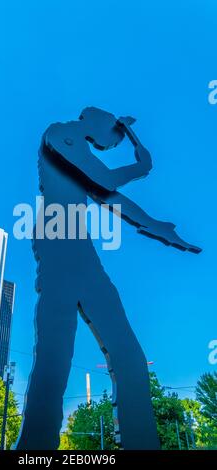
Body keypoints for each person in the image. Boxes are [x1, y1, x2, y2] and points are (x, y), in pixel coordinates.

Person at [15, 107, 201, 450]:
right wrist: (140, 167)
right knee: (55, 357)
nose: (111, 146)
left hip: (81, 252)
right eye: (112, 141)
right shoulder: (60, 133)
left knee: (128, 353)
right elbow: (106, 181)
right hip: (59, 245)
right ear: (97, 121)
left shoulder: (81, 156)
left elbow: (110, 196)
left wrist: (158, 227)